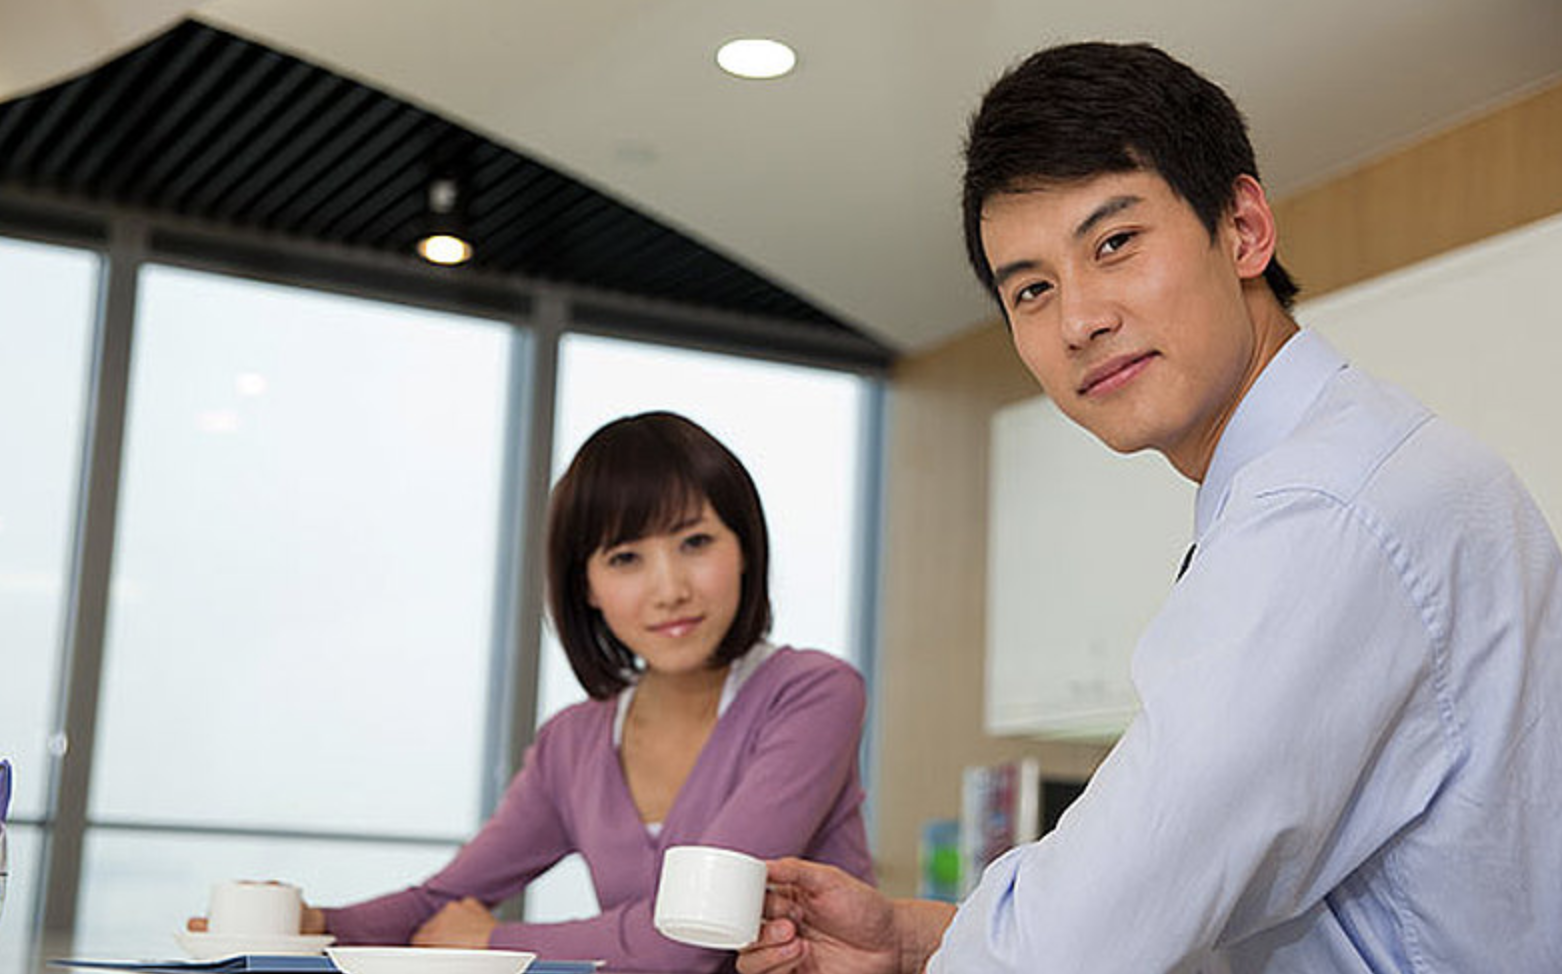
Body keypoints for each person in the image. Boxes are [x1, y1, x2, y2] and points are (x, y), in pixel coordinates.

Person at [738, 41, 1562, 973]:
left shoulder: (1323, 509)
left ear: (1244, 229)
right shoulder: (1341, 469)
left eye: (1115, 244)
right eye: (1033, 290)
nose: (1078, 320)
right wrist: (914, 940)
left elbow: (1080, 942)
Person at [192, 411, 874, 972]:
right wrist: (313, 924)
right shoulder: (572, 744)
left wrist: (490, 942)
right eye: (626, 558)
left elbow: (690, 941)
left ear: (744, 547)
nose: (670, 589)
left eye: (695, 542)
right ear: (587, 585)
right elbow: (445, 901)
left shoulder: (813, 694)